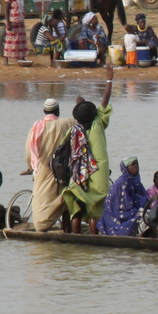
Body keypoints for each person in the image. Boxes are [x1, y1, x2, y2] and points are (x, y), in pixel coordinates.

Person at [61, 82, 114, 232]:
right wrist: (109, 80)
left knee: (77, 210)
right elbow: (105, 100)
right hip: (98, 174)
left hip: (79, 175)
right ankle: (93, 239)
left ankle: (76, 238)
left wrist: (79, 102)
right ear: (93, 114)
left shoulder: (74, 130)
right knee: (95, 212)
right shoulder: (98, 123)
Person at [24, 97, 75, 232]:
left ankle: (44, 225)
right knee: (65, 197)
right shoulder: (66, 123)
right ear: (58, 111)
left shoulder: (36, 127)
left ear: (44, 111)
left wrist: (32, 166)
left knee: (43, 201)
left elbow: (29, 153)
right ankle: (67, 229)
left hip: (43, 170)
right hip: (62, 168)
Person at [99, 158, 148, 236]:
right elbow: (125, 206)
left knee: (150, 214)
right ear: (126, 167)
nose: (136, 166)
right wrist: (138, 210)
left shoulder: (137, 182)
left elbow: (144, 197)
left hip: (133, 211)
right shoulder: (122, 183)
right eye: (133, 164)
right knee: (144, 217)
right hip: (118, 217)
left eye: (137, 164)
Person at [3, 0, 30, 65]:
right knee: (10, 41)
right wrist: (8, 23)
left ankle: (22, 57)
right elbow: (6, 10)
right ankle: (6, 59)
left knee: (21, 40)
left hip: (20, 20)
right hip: (13, 21)